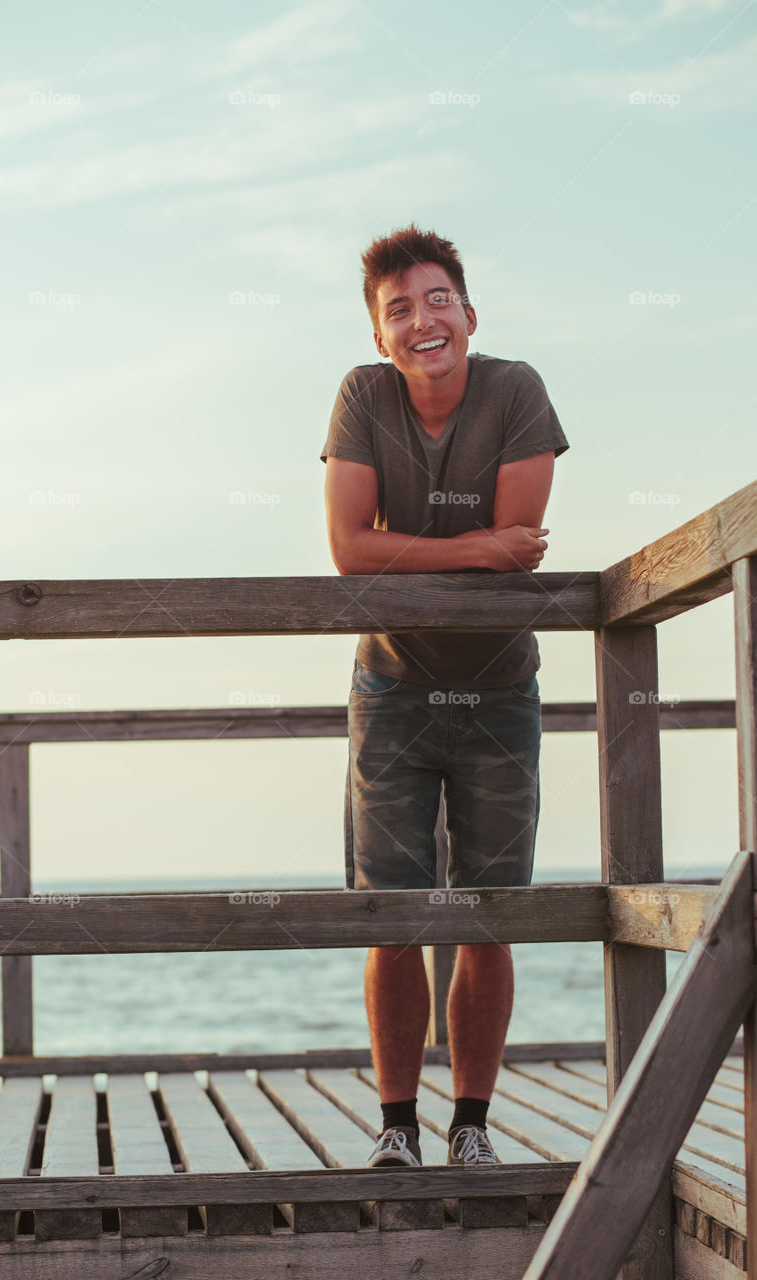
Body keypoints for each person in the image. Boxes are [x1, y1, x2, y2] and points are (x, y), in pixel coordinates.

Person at [320, 224, 568, 1167]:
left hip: (498, 688)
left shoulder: (516, 390)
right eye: (397, 311)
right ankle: (396, 1127)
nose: (420, 321)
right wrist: (474, 549)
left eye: (435, 301)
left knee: (489, 913)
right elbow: (350, 551)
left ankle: (469, 1126)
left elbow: (523, 536)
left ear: (467, 313)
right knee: (389, 914)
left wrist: (468, 550)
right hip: (389, 684)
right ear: (381, 337)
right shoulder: (361, 396)